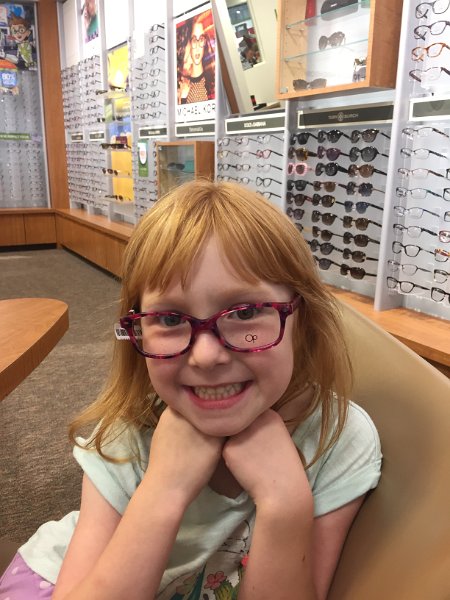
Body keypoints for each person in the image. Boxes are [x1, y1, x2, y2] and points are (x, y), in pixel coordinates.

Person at [0, 180, 382, 599]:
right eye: (169, 319)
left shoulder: (336, 437)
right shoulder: (126, 438)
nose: (205, 355)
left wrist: (284, 503)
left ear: (302, 321)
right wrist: (164, 489)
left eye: (246, 312)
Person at [177, 13, 215, 104]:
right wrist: (182, 99)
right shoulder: (182, 84)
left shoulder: (213, 78)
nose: (198, 46)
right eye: (194, 40)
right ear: (188, 43)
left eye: (201, 39)